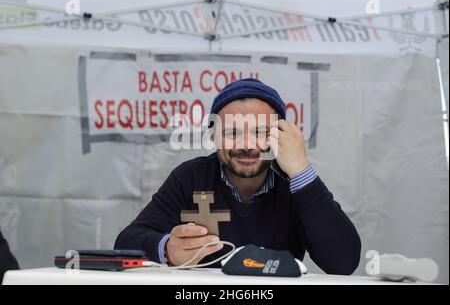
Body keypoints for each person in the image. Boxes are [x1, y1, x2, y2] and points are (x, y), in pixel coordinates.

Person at [115, 78, 361, 274]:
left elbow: (343, 262)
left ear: (281, 136)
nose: (247, 145)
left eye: (260, 132)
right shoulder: (190, 177)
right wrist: (167, 250)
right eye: (232, 132)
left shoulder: (295, 185)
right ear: (213, 137)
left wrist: (301, 170)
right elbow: (126, 243)